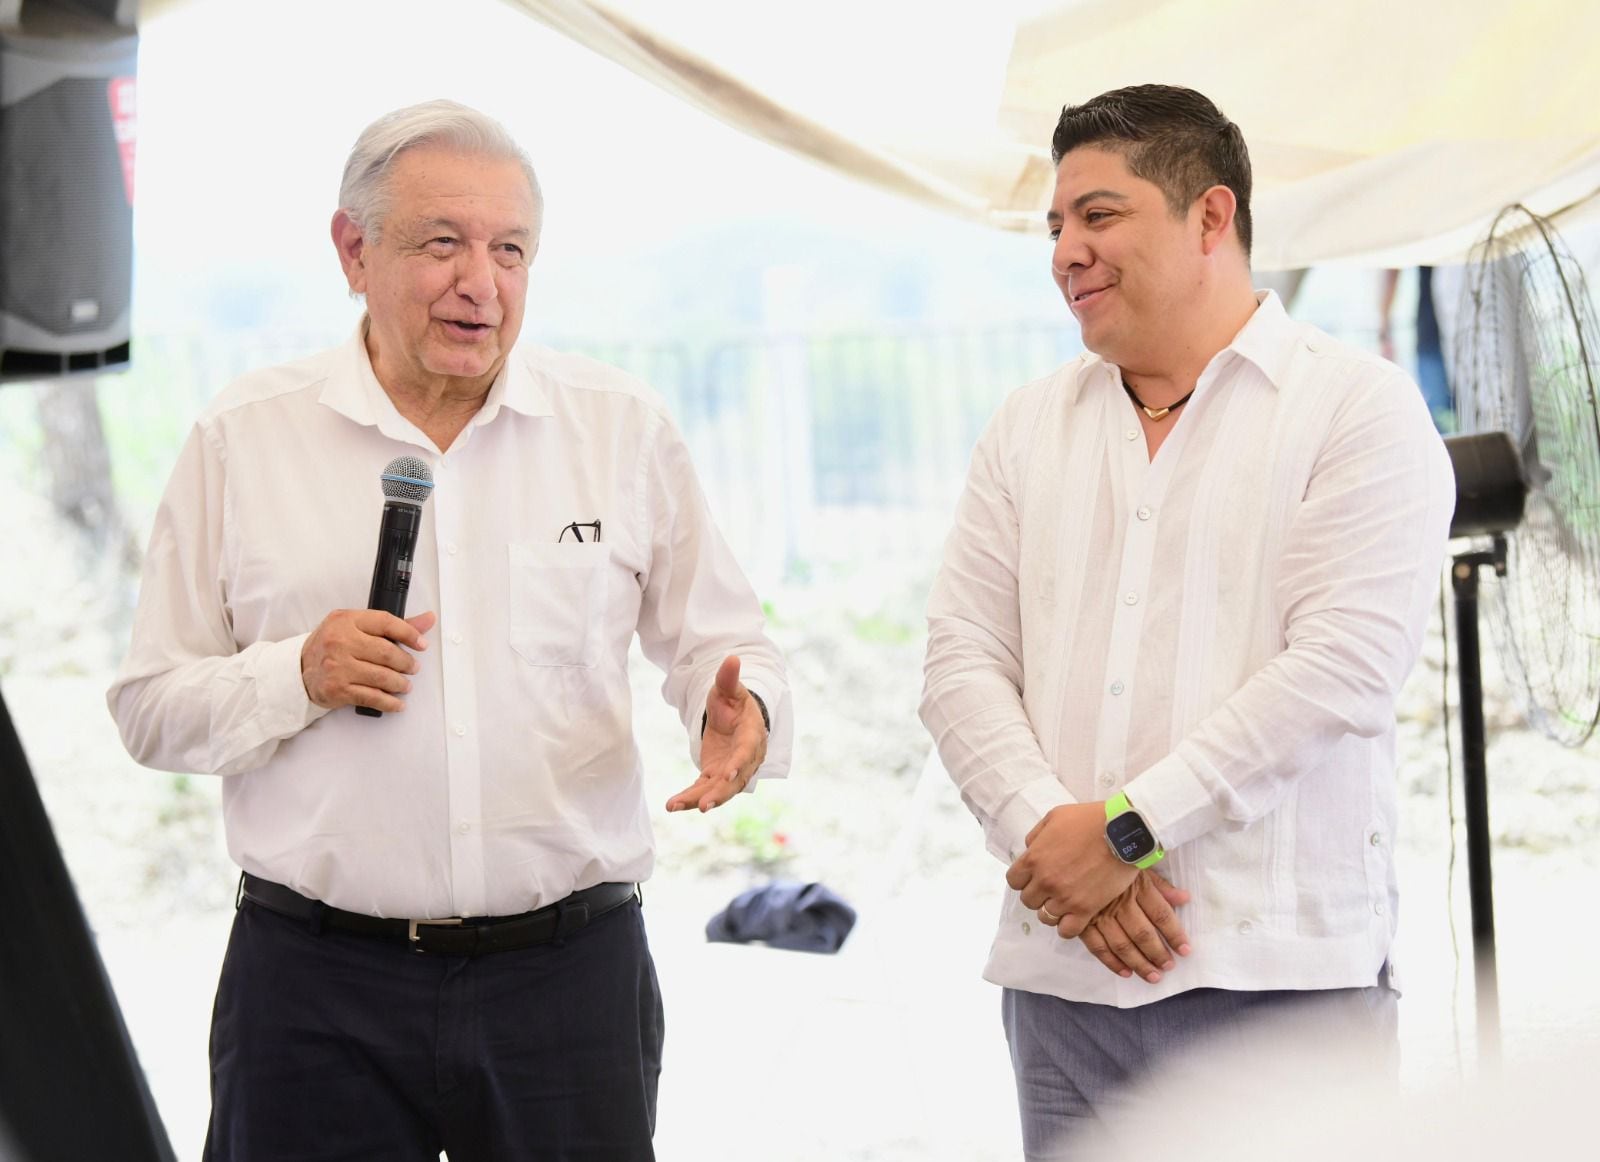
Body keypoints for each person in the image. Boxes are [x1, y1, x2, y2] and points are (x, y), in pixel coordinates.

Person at [107, 99, 791, 1162]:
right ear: (352, 249)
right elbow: (149, 709)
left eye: (509, 249)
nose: (483, 282)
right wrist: (299, 672)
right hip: (313, 989)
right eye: (443, 244)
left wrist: (737, 710)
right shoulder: (243, 438)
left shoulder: (617, 428)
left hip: (568, 986)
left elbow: (722, 642)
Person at [919, 85, 1454, 1158]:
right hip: (1064, 987)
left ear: (1211, 217)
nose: (1066, 249)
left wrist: (1125, 830)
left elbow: (1338, 670)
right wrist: (1049, 839)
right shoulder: (1030, 424)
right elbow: (959, 660)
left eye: (1099, 215)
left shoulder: (1356, 408)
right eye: (1056, 225)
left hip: (1280, 991)